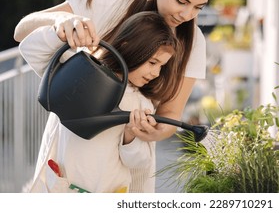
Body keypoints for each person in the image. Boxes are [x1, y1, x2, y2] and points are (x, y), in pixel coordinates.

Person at [14, 0, 221, 192]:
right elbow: (21, 32)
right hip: (70, 153)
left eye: (198, 7)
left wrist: (148, 133)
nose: (186, 15)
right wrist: (62, 20)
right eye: (181, 0)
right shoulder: (109, 1)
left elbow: (170, 114)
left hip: (123, 171)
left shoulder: (193, 42)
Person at [19, 11, 179, 193]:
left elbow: (140, 163)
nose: (157, 73)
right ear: (130, 46)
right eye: (153, 62)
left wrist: (130, 137)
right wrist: (60, 31)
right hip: (60, 187)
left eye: (162, 66)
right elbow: (29, 49)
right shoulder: (81, 70)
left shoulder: (141, 104)